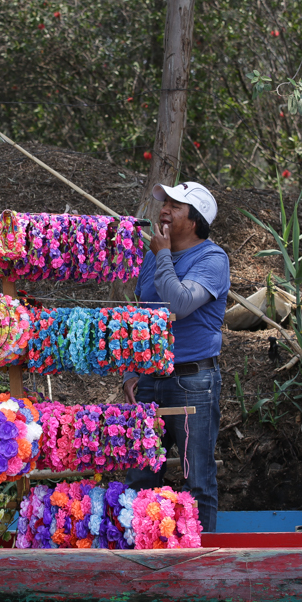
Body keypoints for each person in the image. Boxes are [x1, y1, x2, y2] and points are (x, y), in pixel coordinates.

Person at [123, 181, 230, 532]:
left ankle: (204, 566)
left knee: (197, 479)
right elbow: (142, 318)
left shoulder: (212, 258)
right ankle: (147, 560)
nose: (164, 209)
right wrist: (130, 372)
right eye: (165, 202)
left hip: (192, 381)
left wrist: (163, 254)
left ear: (195, 220)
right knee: (140, 477)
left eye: (175, 205)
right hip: (149, 379)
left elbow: (178, 305)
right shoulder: (153, 256)